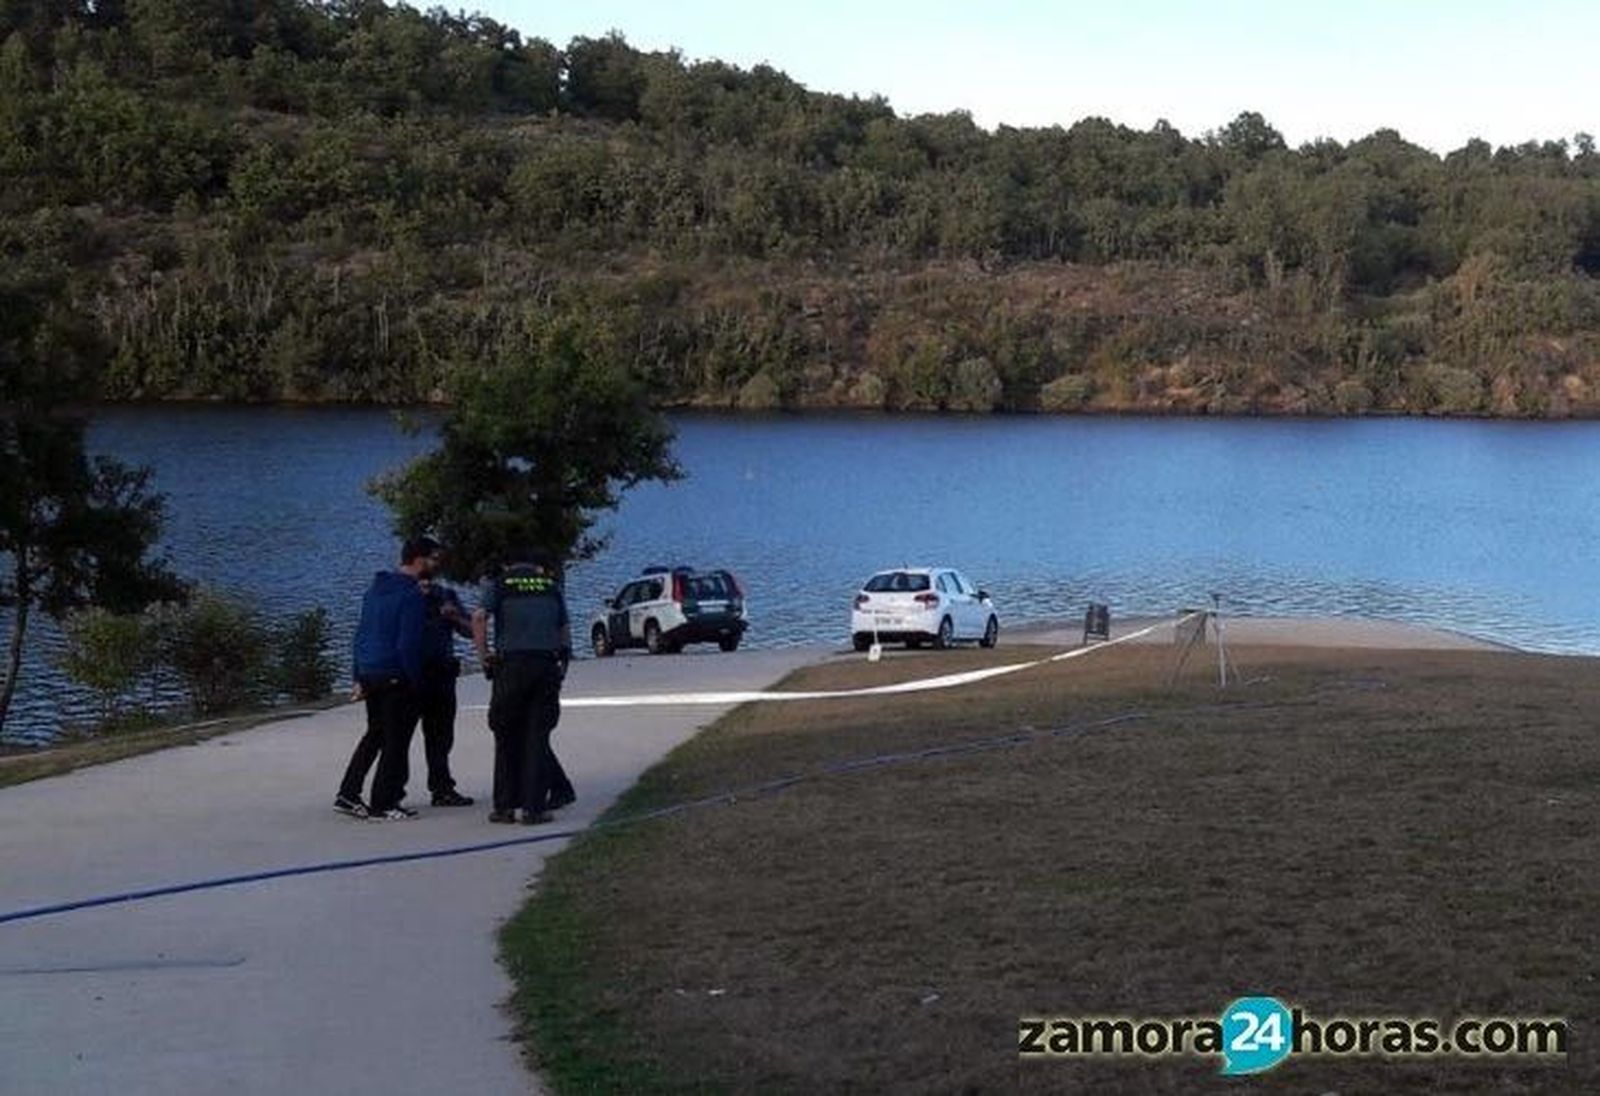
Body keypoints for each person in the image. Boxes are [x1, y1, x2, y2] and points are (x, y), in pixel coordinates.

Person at [473, 549, 575, 825]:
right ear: (535, 566)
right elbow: (564, 628)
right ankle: (534, 809)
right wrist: (563, 661)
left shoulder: (500, 585)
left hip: (511, 666)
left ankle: (504, 807)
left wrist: (484, 657)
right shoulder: (550, 587)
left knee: (506, 735)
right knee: (538, 737)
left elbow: (480, 617)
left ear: (509, 563)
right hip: (545, 665)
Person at [334, 537, 432, 821]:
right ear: (419, 560)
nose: (436, 565)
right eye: (434, 559)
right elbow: (407, 644)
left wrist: (358, 675)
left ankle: (348, 793)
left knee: (375, 733)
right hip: (396, 674)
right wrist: (416, 680)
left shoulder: (373, 592)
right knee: (395, 740)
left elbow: (360, 635)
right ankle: (384, 803)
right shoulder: (412, 596)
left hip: (370, 670)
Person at [418, 572, 476, 807]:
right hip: (413, 673)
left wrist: (454, 617)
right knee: (398, 735)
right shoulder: (406, 598)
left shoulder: (446, 596)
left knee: (441, 734)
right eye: (422, 582)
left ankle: (441, 787)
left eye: (430, 581)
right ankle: (389, 792)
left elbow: (470, 630)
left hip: (442, 671)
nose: (427, 586)